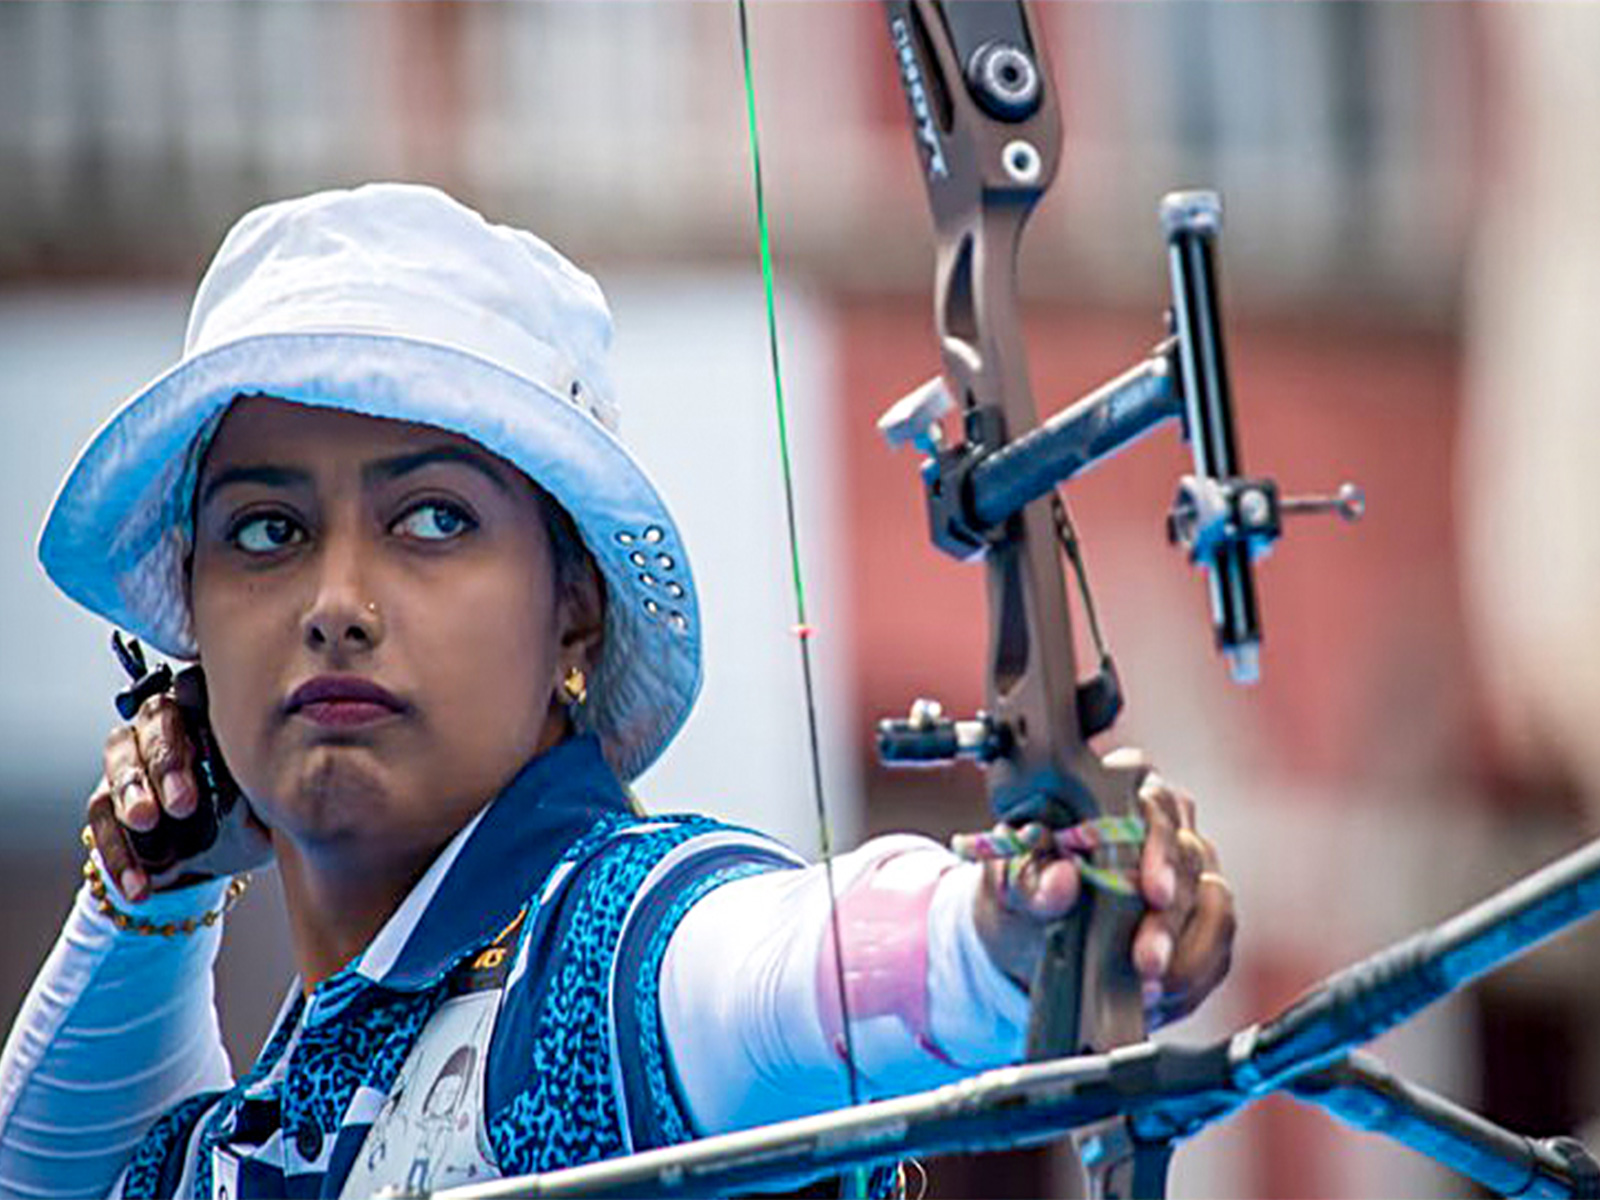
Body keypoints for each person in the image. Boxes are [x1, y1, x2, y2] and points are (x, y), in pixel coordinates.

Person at [0, 183, 1235, 1199]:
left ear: (573, 610)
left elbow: (769, 974)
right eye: (265, 531)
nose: (336, 601)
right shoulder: (263, 1115)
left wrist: (1011, 927)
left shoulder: (595, 955)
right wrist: (150, 885)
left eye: (432, 518)